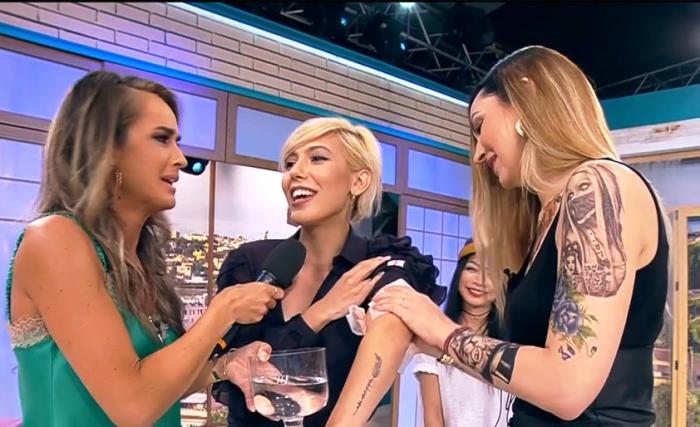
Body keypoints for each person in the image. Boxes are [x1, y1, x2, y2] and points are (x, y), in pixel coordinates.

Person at [372, 45, 669, 426]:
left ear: (525, 97)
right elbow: (530, 368)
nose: (478, 154)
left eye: (480, 126)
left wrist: (443, 330)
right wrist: (429, 340)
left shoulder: (596, 185)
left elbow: (566, 387)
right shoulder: (545, 219)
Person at [4, 71, 284, 426]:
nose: (181, 159)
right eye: (162, 139)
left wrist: (224, 366)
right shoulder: (55, 238)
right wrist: (223, 310)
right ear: (107, 150)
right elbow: (132, 406)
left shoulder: (138, 260)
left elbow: (157, 387)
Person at [213, 117, 446, 427]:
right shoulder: (251, 262)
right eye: (290, 163)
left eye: (317, 158)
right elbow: (226, 368)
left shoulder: (379, 264)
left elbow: (393, 324)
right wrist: (320, 313)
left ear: (358, 181)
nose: (295, 172)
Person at [413, 239, 511, 427]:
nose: (479, 281)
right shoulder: (433, 335)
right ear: (459, 273)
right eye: (472, 269)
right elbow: (432, 416)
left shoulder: (513, 340)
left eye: (491, 273)